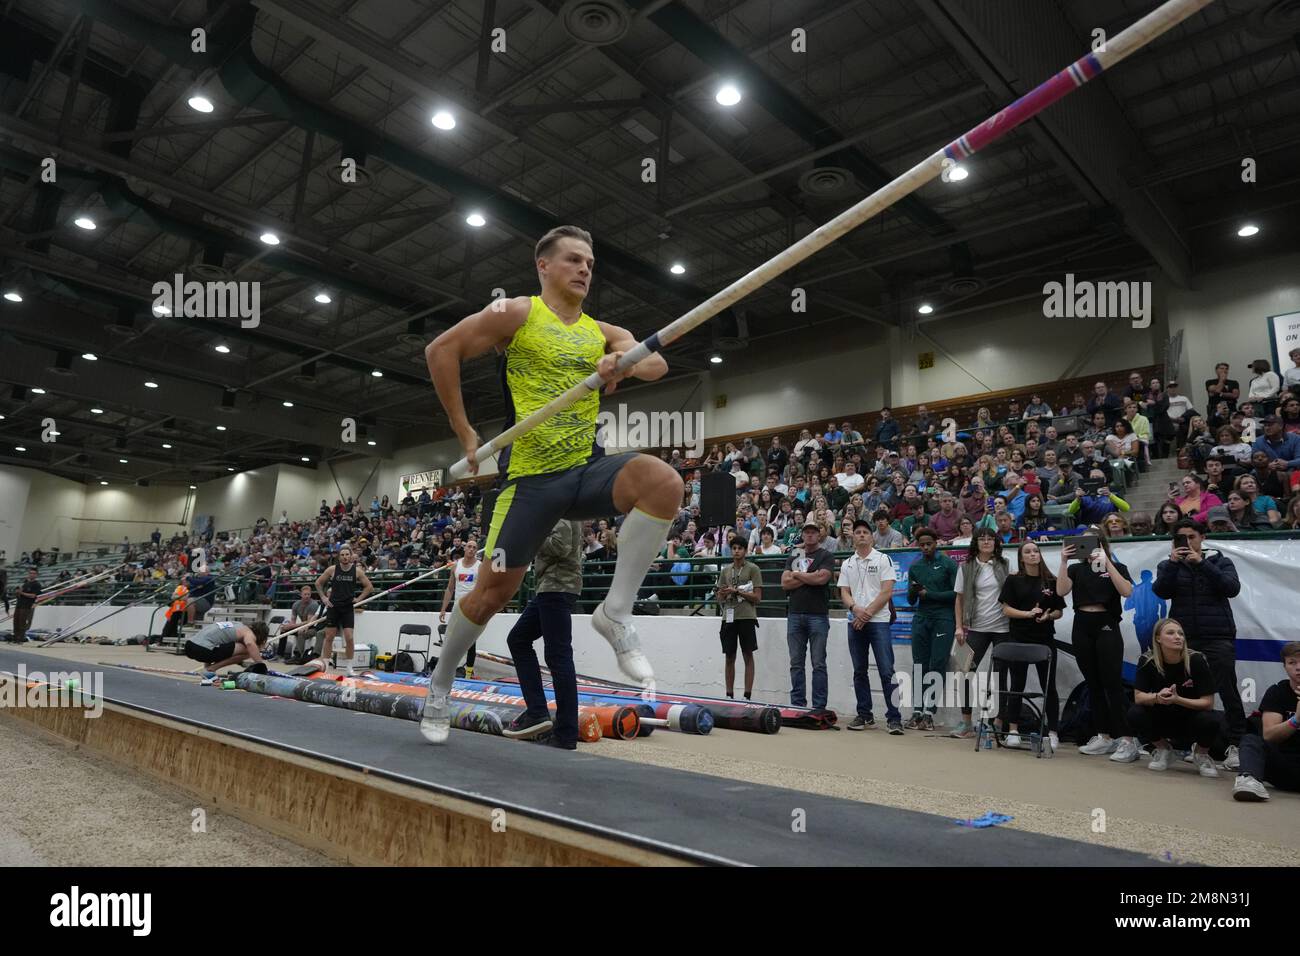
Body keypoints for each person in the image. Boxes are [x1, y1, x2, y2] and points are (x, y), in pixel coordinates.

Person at [417, 226, 684, 744]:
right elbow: (440, 350)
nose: (585, 269)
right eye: (573, 260)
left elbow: (656, 361)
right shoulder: (517, 314)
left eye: (590, 262)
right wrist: (464, 429)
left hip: (586, 470)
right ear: (543, 266)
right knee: (494, 592)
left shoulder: (602, 330)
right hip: (530, 481)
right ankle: (441, 680)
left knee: (663, 482)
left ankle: (615, 613)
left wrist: (622, 362)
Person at [1152, 519, 1244, 770]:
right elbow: (1160, 591)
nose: (1187, 542)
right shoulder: (1167, 565)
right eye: (1181, 538)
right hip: (1184, 640)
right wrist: (1173, 564)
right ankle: (1195, 745)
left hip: (1218, 636)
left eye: (1192, 536)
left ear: (1202, 538)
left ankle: (1236, 745)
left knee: (1227, 691)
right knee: (1188, 692)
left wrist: (1202, 564)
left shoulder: (1219, 561)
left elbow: (1231, 588)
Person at [503, 520, 584, 748]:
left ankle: (565, 732)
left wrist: (530, 535)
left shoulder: (563, 508)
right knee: (518, 639)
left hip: (557, 586)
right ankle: (538, 711)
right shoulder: (560, 505)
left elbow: (559, 546)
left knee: (558, 655)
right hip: (551, 587)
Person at [1057, 527, 1136, 760]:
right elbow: (1061, 590)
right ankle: (1104, 736)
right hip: (1082, 625)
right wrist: (1063, 561)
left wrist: (1107, 563)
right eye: (1085, 542)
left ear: (1102, 543)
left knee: (1112, 683)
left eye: (1094, 541)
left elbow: (1127, 591)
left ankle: (1127, 739)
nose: (1090, 547)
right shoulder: (1076, 568)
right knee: (1093, 684)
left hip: (1106, 624)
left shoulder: (1117, 567)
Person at [1128, 619, 1221, 776]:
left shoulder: (1196, 660)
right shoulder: (1147, 660)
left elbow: (1208, 703)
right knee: (1135, 712)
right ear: (1158, 638)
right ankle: (1164, 749)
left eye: (1180, 634)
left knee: (1212, 719)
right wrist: (1157, 697)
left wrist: (1178, 699)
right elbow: (1139, 697)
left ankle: (1201, 754)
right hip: (1163, 716)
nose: (1178, 637)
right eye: (1170, 633)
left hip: (1190, 717)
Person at [837, 520, 903, 733]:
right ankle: (864, 715)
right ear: (853, 537)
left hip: (878, 622)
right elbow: (844, 592)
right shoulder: (847, 563)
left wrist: (866, 614)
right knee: (859, 670)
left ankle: (894, 718)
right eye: (858, 532)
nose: (862, 535)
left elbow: (887, 592)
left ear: (872, 537)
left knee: (886, 670)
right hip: (855, 620)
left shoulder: (884, 559)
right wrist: (856, 609)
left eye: (866, 532)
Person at [999, 541, 1065, 751]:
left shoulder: (1051, 581)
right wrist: (1027, 614)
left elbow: (1059, 611)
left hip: (1045, 640)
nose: (1032, 554)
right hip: (1019, 639)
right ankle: (1013, 731)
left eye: (1035, 551)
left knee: (1050, 686)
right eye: (1027, 552)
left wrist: (1047, 615)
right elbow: (1006, 610)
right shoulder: (1013, 580)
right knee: (1017, 685)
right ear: (1021, 557)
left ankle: (1053, 732)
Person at [952, 529, 1011, 739]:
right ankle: (966, 722)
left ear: (996, 543)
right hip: (976, 627)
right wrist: (959, 627)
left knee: (1001, 676)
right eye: (982, 539)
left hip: (1004, 628)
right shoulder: (966, 567)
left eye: (990, 539)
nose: (986, 542)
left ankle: (998, 723)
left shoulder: (1006, 564)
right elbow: (959, 599)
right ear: (976, 543)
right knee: (964, 671)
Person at [1232, 641, 1300, 801]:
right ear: (1285, 666)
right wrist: (1296, 720)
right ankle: (1249, 780)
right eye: (1292, 662)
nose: (1298, 667)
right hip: (1284, 766)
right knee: (1251, 739)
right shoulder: (1277, 692)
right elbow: (1269, 735)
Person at [906, 528, 958, 730]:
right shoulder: (915, 566)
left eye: (929, 543)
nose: (926, 547)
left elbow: (955, 594)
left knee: (937, 663)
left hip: (944, 618)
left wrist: (930, 594)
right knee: (919, 664)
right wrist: (914, 591)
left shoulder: (948, 564)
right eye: (922, 544)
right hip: (921, 617)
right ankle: (917, 711)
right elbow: (911, 601)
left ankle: (929, 712)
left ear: (936, 543)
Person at [783, 522, 835, 712]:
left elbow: (822, 579)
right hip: (795, 613)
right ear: (803, 535)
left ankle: (819, 707)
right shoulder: (795, 554)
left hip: (818, 615)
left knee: (818, 663)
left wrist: (797, 575)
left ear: (819, 535)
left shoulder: (826, 555)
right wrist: (809, 576)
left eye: (814, 532)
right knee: (796, 663)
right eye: (807, 532)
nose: (810, 535)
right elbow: (785, 584)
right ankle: (798, 705)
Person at [314, 544, 374, 676]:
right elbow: (318, 583)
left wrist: (358, 599)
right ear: (339, 557)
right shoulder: (332, 570)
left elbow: (369, 587)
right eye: (342, 555)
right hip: (333, 607)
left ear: (351, 555)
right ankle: (327, 667)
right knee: (329, 637)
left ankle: (349, 668)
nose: (345, 557)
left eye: (347, 554)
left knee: (349, 638)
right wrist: (323, 597)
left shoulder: (357, 571)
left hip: (347, 608)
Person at [717, 536, 763, 701]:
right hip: (728, 616)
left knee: (747, 654)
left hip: (746, 616)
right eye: (734, 548)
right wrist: (722, 594)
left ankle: (747, 695)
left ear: (745, 550)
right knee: (729, 656)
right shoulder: (725, 570)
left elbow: (757, 597)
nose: (736, 551)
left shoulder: (753, 569)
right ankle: (729, 694)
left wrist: (737, 592)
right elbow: (719, 597)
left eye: (740, 548)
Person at [439, 539, 483, 678]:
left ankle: (469, 672)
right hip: (458, 608)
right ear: (464, 549)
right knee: (451, 638)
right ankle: (447, 669)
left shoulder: (480, 566)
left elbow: (483, 588)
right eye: (469, 546)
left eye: (474, 547)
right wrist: (443, 608)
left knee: (471, 641)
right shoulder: (455, 566)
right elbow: (450, 588)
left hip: (473, 607)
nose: (471, 549)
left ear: (476, 551)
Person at [184, 620, 270, 673]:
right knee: (248, 651)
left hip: (189, 646)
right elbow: (250, 644)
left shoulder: (236, 625)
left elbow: (215, 641)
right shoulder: (248, 632)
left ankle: (207, 670)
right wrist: (260, 665)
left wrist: (241, 662)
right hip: (202, 649)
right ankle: (211, 669)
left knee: (214, 643)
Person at [285, 584, 322, 663]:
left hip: (312, 627)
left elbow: (309, 623)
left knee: (301, 633)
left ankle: (297, 656)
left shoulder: (313, 604)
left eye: (308, 594)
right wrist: (289, 626)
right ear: (301, 595)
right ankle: (279, 654)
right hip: (302, 626)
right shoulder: (296, 604)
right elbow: (293, 620)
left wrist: (294, 626)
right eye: (305, 594)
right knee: (283, 630)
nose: (307, 596)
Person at [9, 568, 41, 643]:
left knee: (22, 622)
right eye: (30, 573)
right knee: (16, 621)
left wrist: (22, 593)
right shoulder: (25, 583)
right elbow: (20, 594)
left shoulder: (37, 584)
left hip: (26, 605)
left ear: (36, 575)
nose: (31, 574)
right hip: (19, 604)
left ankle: (20, 638)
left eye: (33, 573)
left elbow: (33, 595)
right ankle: (15, 637)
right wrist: (18, 592)